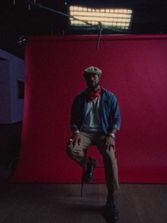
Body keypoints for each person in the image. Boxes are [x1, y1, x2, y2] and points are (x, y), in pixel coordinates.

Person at [66, 66, 121, 221]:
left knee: (110, 157)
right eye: (89, 76)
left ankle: (111, 198)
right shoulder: (79, 98)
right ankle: (90, 163)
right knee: (71, 149)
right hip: (84, 132)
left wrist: (111, 134)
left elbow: (117, 118)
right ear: (85, 78)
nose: (92, 79)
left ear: (99, 78)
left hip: (103, 133)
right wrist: (76, 132)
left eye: (94, 76)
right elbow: (73, 119)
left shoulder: (110, 97)